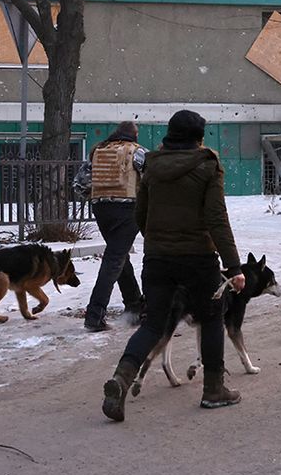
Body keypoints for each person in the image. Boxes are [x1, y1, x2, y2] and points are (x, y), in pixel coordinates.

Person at [101, 109, 245, 422]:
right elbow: (216, 219)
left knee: (153, 324)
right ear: (198, 138)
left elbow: (142, 212)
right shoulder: (208, 166)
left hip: (157, 259)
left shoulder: (152, 164)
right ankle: (213, 389)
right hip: (198, 259)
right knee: (210, 318)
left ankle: (122, 377)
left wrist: (158, 240)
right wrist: (234, 267)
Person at [79, 121, 146, 332]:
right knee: (114, 260)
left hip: (101, 209)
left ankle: (135, 306)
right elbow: (153, 178)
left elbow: (80, 184)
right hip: (128, 209)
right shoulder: (138, 152)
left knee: (119, 257)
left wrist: (100, 197)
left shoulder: (98, 151)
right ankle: (94, 315)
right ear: (133, 135)